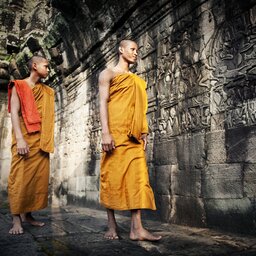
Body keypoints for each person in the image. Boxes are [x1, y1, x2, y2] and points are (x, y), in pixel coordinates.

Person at [98, 39, 162, 241]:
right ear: (121, 50)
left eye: (137, 50)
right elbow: (102, 103)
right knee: (111, 178)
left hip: (133, 135)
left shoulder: (135, 80)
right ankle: (111, 225)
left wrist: (144, 130)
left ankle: (137, 229)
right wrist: (105, 133)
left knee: (138, 179)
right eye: (132, 49)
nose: (136, 53)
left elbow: (139, 108)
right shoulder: (107, 74)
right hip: (115, 134)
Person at [7, 55, 55, 235]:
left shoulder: (47, 91)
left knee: (36, 180)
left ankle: (28, 215)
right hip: (24, 139)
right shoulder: (18, 85)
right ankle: (16, 218)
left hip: (41, 141)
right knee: (19, 178)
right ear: (34, 66)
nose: (48, 69)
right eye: (46, 66)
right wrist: (20, 138)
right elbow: (14, 114)